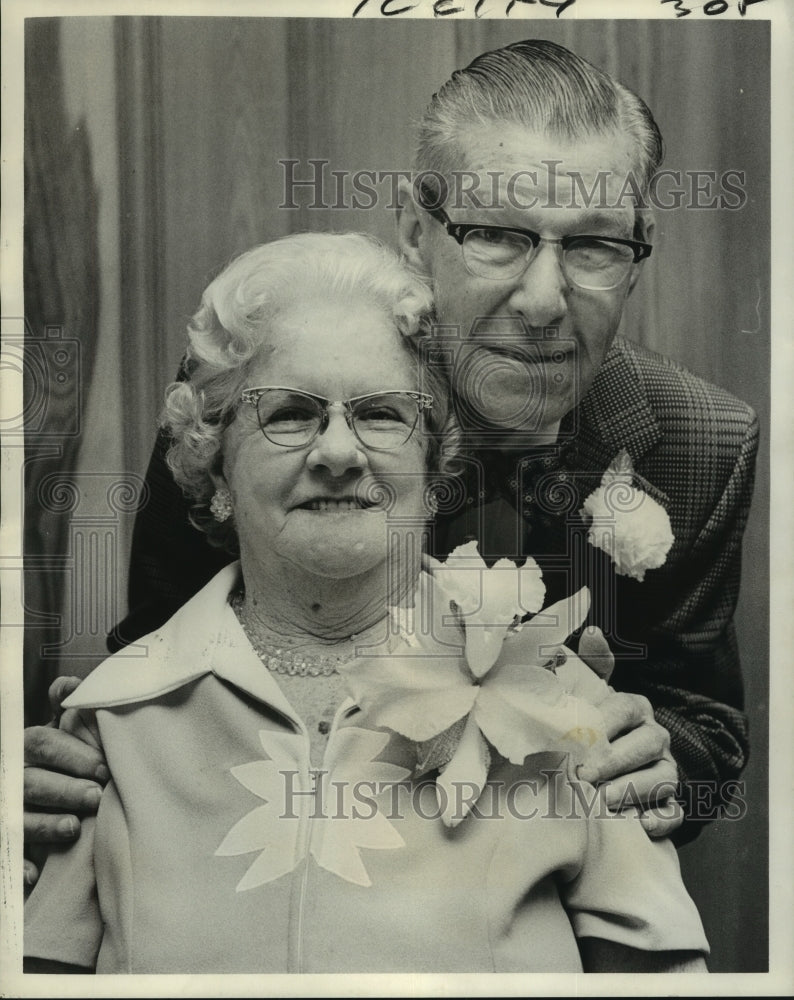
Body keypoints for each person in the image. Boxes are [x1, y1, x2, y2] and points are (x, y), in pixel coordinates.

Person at [23, 38, 758, 879]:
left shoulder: (703, 439)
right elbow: (154, 655)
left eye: (593, 245)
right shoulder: (258, 406)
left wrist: (664, 757)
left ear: (639, 249)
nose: (545, 302)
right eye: (497, 236)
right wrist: (83, 767)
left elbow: (708, 722)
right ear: (417, 231)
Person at [23, 232, 709, 974]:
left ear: (433, 459)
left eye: (382, 413)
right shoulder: (116, 724)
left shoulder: (562, 703)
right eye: (289, 413)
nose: (339, 452)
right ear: (212, 466)